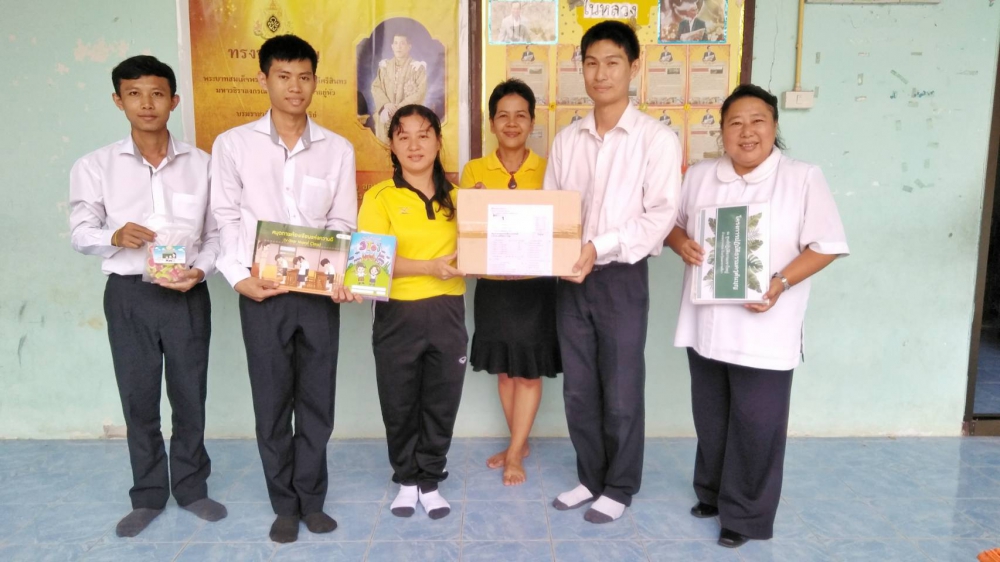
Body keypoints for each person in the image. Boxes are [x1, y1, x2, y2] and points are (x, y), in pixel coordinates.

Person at [665, 84, 849, 548]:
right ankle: (711, 492)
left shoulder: (801, 178)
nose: (747, 132)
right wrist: (680, 243)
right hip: (706, 322)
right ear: (722, 131)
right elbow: (672, 224)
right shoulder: (700, 176)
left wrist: (781, 282)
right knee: (711, 417)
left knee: (757, 424)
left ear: (774, 126)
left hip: (766, 325)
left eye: (757, 121)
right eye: (735, 123)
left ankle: (744, 515)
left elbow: (826, 244)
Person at [69, 55, 226, 538]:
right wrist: (114, 236)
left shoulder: (203, 165)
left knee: (190, 396)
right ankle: (149, 494)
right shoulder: (95, 166)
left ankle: (192, 488)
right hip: (129, 296)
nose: (146, 104)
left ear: (174, 101)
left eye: (157, 94)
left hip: (186, 294)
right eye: (134, 94)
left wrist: (200, 270)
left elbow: (217, 234)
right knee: (138, 399)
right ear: (118, 101)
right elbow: (79, 232)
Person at [211, 34, 360, 544]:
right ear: (264, 79)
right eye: (283, 76)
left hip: (318, 297)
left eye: (304, 77)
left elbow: (342, 222)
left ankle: (311, 499)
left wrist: (338, 275)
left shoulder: (337, 149)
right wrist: (238, 277)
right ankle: (284, 505)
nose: (295, 87)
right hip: (262, 293)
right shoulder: (234, 145)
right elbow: (225, 218)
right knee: (272, 402)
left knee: (317, 402)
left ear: (316, 82)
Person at [544, 21, 682, 524]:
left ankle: (620, 486)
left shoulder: (656, 139)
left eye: (612, 63)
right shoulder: (567, 140)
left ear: (634, 68)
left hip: (621, 277)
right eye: (591, 63)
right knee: (578, 388)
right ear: (581, 68)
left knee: (621, 387)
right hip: (570, 279)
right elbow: (553, 210)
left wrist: (596, 246)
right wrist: (550, 254)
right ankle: (591, 477)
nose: (600, 74)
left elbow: (660, 216)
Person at [358, 104, 467, 520]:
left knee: (442, 400)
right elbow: (370, 263)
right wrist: (428, 267)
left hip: (447, 311)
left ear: (439, 142)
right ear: (391, 145)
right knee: (399, 399)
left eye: (424, 135)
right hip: (396, 313)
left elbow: (481, 249)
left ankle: (430, 479)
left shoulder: (461, 199)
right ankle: (406, 480)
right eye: (403, 136)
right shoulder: (379, 197)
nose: (414, 145)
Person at [459, 79, 561, 486]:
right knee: (504, 370)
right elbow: (468, 230)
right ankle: (519, 442)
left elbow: (561, 226)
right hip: (494, 287)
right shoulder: (474, 171)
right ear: (491, 123)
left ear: (532, 122)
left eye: (521, 115)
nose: (512, 123)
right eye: (503, 115)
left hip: (536, 287)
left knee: (529, 372)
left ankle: (515, 451)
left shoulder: (550, 169)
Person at [372, 32, 428, 143]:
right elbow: (376, 87)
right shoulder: (385, 67)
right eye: (396, 43)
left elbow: (421, 92)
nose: (398, 47)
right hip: (387, 112)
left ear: (409, 46)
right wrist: (386, 104)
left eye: (402, 43)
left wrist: (400, 107)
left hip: (408, 113)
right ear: (392, 46)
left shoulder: (417, 68)